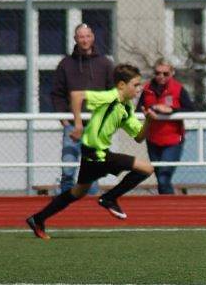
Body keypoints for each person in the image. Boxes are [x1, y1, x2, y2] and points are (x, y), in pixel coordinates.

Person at [26, 64, 158, 240]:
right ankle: (109, 199)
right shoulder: (110, 97)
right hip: (96, 153)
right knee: (147, 169)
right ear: (121, 85)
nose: (139, 89)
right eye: (135, 85)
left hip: (95, 153)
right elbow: (76, 96)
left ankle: (38, 219)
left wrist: (149, 121)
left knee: (78, 192)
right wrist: (78, 124)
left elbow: (139, 137)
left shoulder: (126, 108)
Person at [50, 23, 114, 195]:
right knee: (68, 168)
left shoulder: (105, 64)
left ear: (92, 38)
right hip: (72, 126)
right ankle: (63, 204)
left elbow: (113, 93)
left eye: (87, 36)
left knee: (91, 172)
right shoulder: (66, 64)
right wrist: (63, 117)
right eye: (81, 37)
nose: (84, 40)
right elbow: (57, 93)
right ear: (75, 39)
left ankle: (90, 212)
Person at [137, 58, 195, 194]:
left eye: (165, 74)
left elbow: (191, 109)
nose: (161, 77)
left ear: (172, 73)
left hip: (173, 140)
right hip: (153, 140)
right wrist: (147, 111)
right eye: (157, 73)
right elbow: (138, 110)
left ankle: (171, 207)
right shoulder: (147, 89)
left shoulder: (178, 89)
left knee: (164, 176)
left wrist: (171, 110)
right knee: (159, 177)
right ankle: (163, 207)